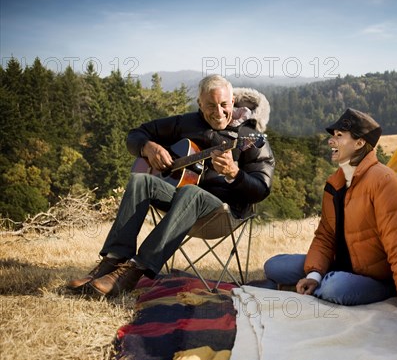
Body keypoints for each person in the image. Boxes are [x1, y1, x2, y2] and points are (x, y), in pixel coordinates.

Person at [67, 75, 275, 296]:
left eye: (224, 105)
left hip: (222, 214)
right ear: (199, 104)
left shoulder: (251, 136)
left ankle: (132, 272)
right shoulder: (187, 123)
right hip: (180, 206)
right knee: (141, 180)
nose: (219, 112)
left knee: (191, 192)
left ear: (233, 102)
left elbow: (261, 188)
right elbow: (136, 134)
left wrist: (235, 173)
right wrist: (148, 147)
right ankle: (112, 261)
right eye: (210, 106)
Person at [264, 108, 397, 316]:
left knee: (335, 288)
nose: (331, 141)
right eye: (332, 136)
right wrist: (314, 275)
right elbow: (325, 235)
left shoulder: (384, 182)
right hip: (339, 265)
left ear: (359, 143)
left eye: (339, 136)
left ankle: (319, 285)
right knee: (274, 266)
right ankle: (319, 283)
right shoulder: (335, 183)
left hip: (376, 277)